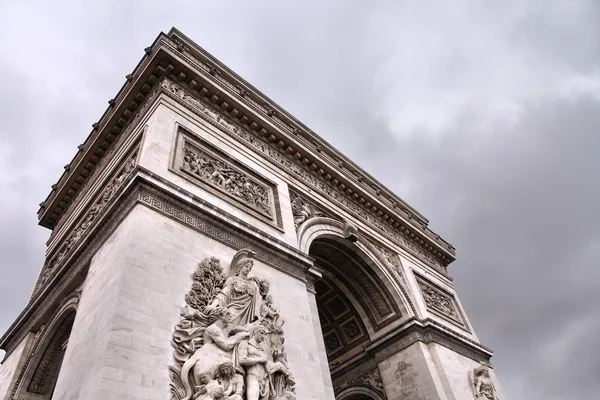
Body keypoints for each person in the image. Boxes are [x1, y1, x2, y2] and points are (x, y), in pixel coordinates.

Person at [180, 308, 250, 400]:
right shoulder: (213, 329)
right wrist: (238, 337)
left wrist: (252, 327)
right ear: (220, 316)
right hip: (209, 354)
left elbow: (245, 328)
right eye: (227, 314)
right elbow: (226, 345)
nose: (231, 315)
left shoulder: (228, 326)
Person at [205, 250, 262, 326]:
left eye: (250, 267)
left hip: (246, 313)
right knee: (227, 325)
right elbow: (224, 294)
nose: (248, 269)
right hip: (233, 309)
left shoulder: (252, 284)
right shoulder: (232, 280)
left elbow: (257, 299)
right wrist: (213, 305)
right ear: (240, 267)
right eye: (246, 266)